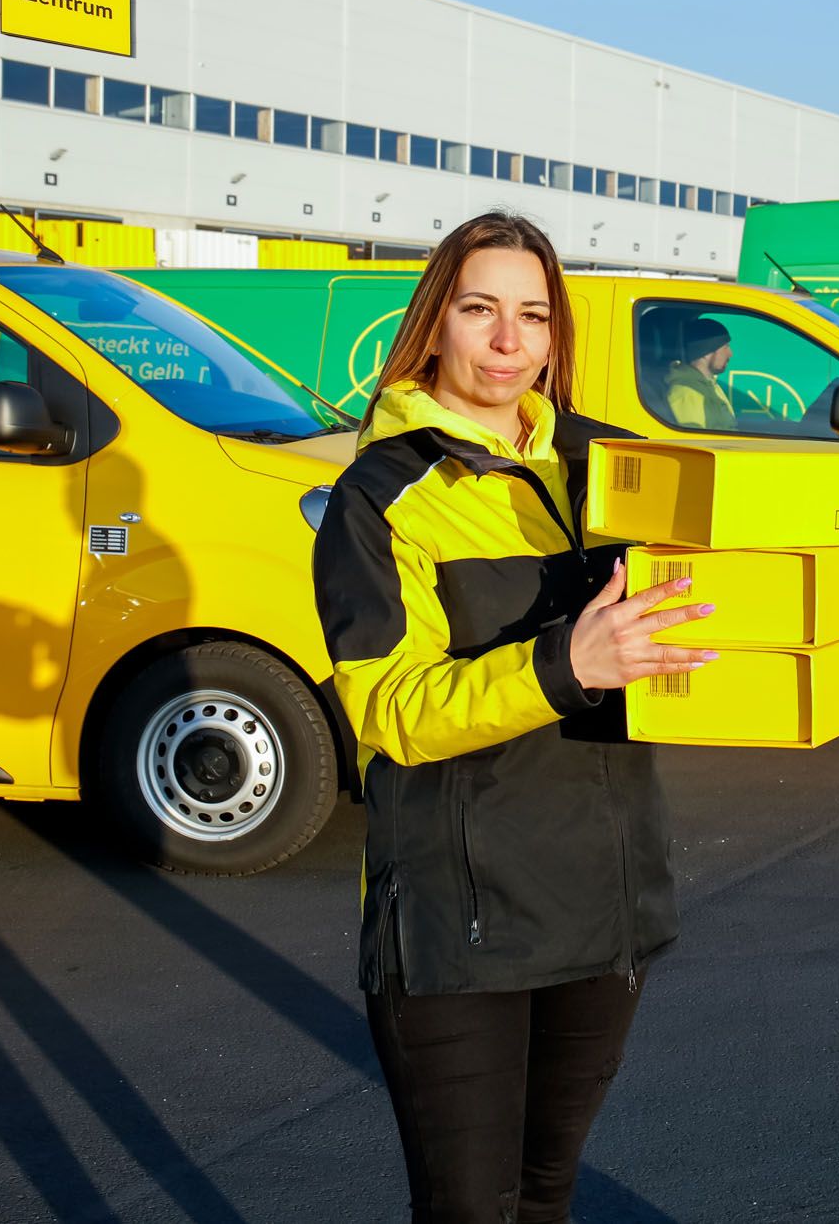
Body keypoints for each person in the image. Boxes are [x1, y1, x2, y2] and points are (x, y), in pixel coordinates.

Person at [312, 212, 718, 1224]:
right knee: (471, 1211)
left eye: (533, 315)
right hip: (460, 925)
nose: (508, 341)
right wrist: (562, 664)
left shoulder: (605, 464)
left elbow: (703, 616)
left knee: (546, 1197)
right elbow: (389, 709)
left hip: (603, 901)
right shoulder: (381, 496)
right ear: (435, 323)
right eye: (481, 310)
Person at [663, 315, 737, 429]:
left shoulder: (710, 385)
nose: (730, 353)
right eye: (725, 347)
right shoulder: (687, 393)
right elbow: (691, 442)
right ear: (706, 353)